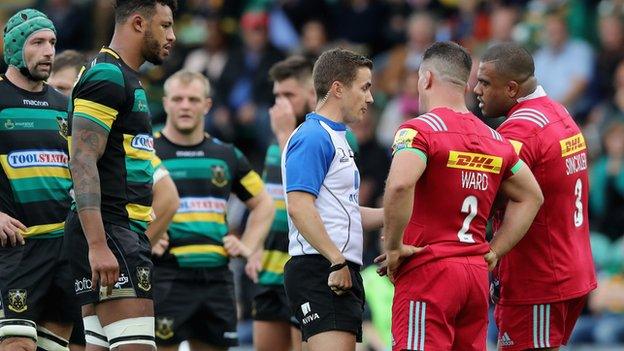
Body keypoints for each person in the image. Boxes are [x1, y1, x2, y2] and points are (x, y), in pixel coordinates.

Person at [379, 41, 543, 351]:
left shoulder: (418, 130)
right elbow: (532, 196)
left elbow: (400, 186)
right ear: (467, 84)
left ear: (426, 78)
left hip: (429, 271)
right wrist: (496, 250)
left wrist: (394, 248)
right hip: (474, 274)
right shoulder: (495, 138)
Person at [65, 0, 176, 350]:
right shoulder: (108, 75)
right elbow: (81, 159)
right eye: (166, 25)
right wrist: (98, 245)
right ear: (139, 23)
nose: (172, 36)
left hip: (116, 232)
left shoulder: (123, 76)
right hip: (112, 232)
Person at [474, 42, 597, 350]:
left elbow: (489, 198)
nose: (476, 90)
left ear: (512, 88)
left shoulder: (520, 132)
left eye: (485, 83)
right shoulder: (559, 113)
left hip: (538, 278)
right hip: (570, 265)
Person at [152, 69, 274, 351]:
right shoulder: (148, 151)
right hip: (166, 275)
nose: (185, 106)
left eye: (193, 99)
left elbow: (264, 204)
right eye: (178, 99)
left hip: (216, 279)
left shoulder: (226, 154)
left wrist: (248, 244)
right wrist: (147, 236)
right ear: (167, 102)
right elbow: (122, 203)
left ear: (207, 105)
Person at [281, 48, 384, 351]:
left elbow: (346, 213)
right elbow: (299, 206)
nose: (370, 98)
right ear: (338, 88)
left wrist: (393, 212)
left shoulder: (337, 137)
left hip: (330, 267)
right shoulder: (314, 136)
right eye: (365, 87)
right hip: (323, 268)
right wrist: (336, 259)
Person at [0, 9, 75, 351]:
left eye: (53, 43)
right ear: (14, 48)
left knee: (54, 346)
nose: (49, 51)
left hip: (63, 246)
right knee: (18, 344)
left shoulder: (65, 105)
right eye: (38, 42)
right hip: (16, 247)